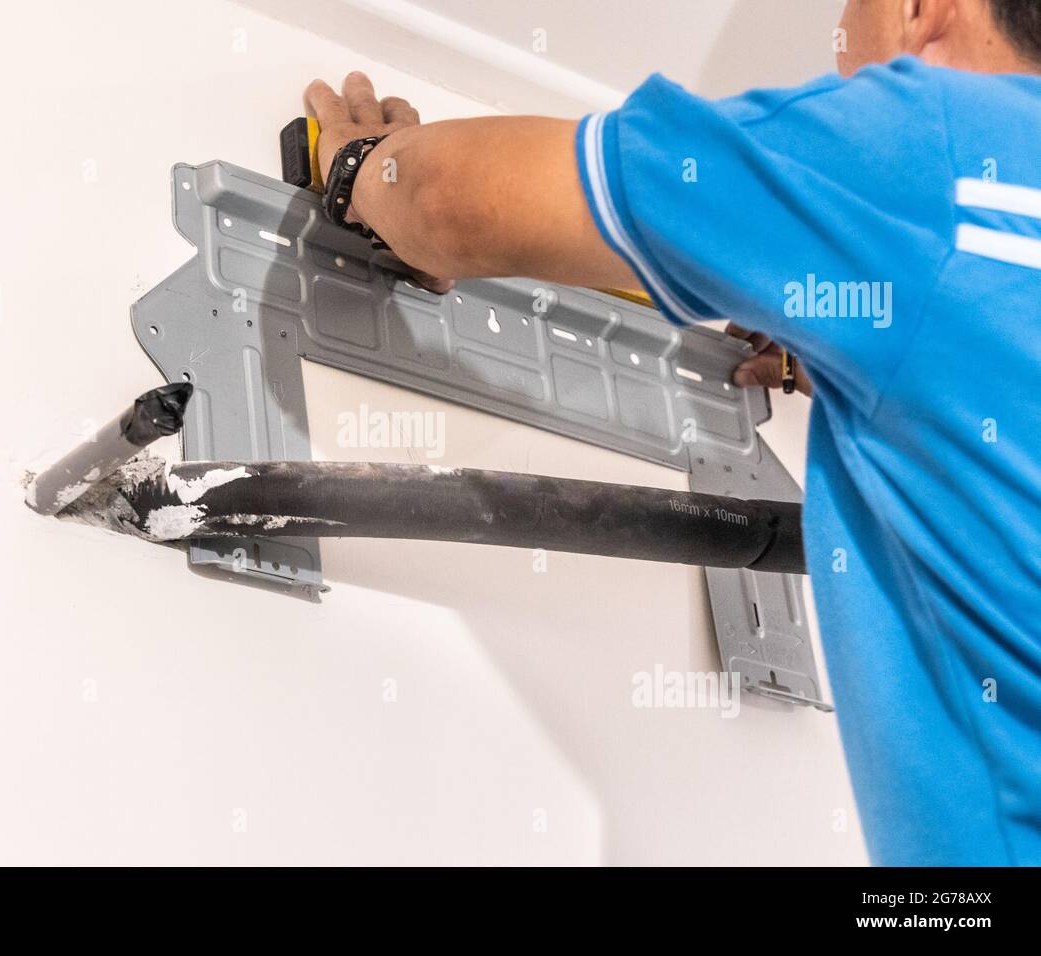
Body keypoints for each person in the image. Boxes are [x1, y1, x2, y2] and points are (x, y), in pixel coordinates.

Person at [303, 0, 1041, 866]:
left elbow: (456, 201)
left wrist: (360, 167)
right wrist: (858, 353)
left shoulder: (927, 147)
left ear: (919, 8)